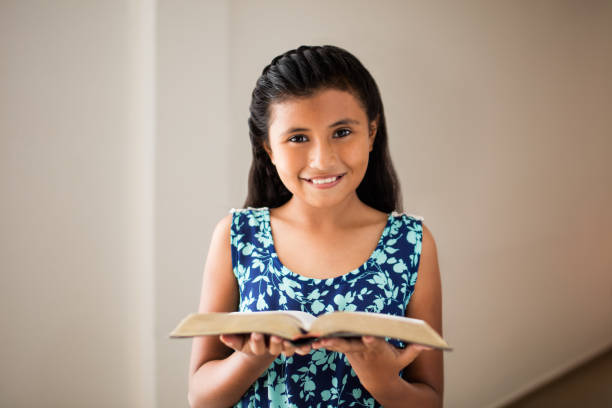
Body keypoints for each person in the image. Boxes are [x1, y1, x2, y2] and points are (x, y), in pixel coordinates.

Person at [188, 45, 443, 408]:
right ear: (268, 148)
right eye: (297, 138)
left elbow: (431, 400)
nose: (323, 159)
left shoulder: (412, 243)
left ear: (372, 132)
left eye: (342, 132)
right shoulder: (236, 235)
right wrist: (251, 358)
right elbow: (200, 398)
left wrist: (382, 381)